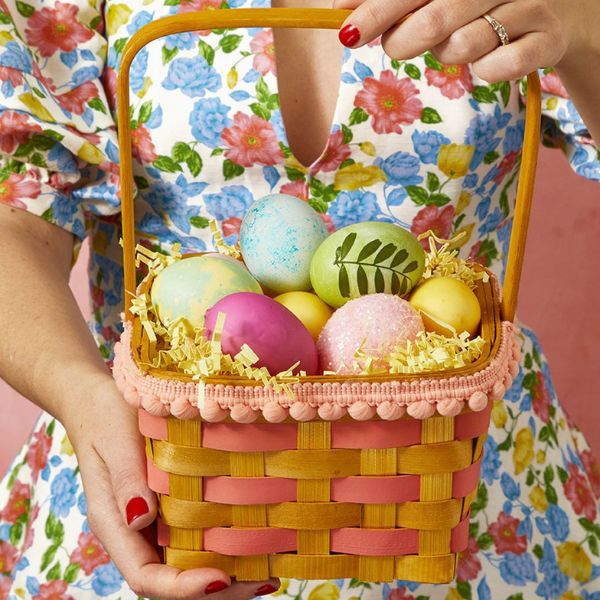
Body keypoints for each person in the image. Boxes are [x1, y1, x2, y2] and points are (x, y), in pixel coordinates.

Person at [0, 0, 599, 597]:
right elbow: (13, 217)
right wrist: (83, 396)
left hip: (460, 482)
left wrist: (586, 27)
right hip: (161, 466)